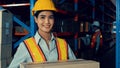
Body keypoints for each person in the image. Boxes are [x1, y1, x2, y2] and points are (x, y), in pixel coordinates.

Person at [8, 0, 76, 68]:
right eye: (42, 17)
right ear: (36, 19)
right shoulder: (26, 46)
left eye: (50, 17)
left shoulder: (63, 44)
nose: (47, 22)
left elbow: (76, 65)